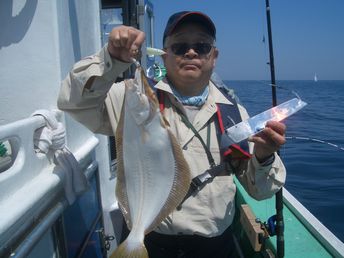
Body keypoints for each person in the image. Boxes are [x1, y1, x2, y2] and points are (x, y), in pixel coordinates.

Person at [58, 11, 286, 258]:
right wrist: (110, 59)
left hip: (214, 249)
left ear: (214, 56)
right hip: (151, 241)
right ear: (165, 55)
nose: (191, 53)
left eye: (202, 46)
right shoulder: (130, 97)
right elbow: (75, 103)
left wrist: (263, 157)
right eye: (179, 47)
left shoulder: (235, 114)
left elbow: (260, 191)